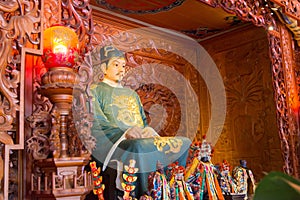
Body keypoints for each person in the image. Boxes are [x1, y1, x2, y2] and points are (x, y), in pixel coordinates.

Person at [90, 45, 191, 198]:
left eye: (123, 65)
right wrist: (124, 132)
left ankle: (171, 191)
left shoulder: (131, 94)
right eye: (116, 65)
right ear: (104, 67)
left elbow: (142, 122)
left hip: (140, 138)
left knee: (183, 142)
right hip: (117, 141)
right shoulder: (95, 90)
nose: (121, 69)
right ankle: (145, 194)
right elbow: (96, 124)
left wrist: (146, 130)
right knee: (138, 147)